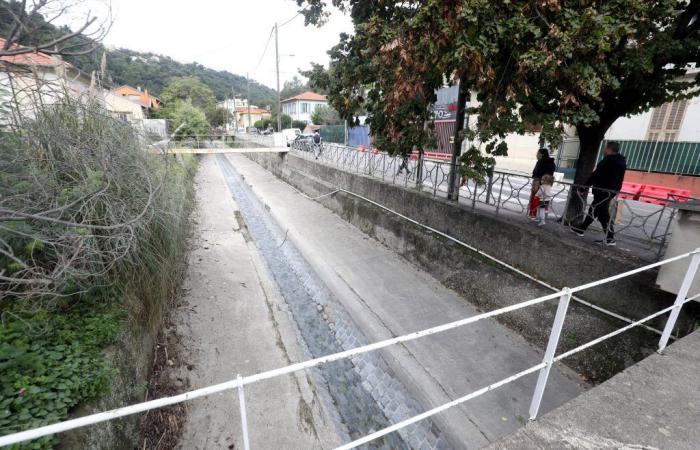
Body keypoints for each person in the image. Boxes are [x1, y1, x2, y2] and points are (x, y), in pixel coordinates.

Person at [571, 141, 626, 246]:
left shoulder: (608, 160)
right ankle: (581, 229)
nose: (604, 150)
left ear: (609, 149)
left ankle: (610, 238)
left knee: (602, 214)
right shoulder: (621, 161)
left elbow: (595, 175)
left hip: (602, 190)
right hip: (611, 191)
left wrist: (583, 188)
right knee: (594, 209)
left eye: (605, 148)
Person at [528, 148, 556, 218]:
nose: (536, 155)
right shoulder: (552, 163)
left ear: (542, 154)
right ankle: (542, 217)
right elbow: (551, 174)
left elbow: (536, 173)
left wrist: (536, 183)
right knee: (543, 201)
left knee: (535, 198)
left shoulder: (540, 162)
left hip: (538, 183)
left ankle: (532, 215)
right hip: (547, 185)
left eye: (538, 153)